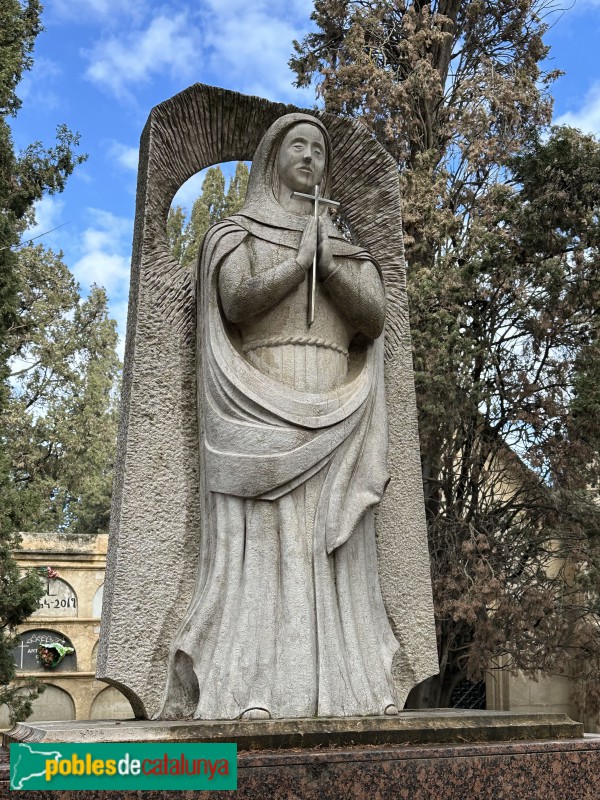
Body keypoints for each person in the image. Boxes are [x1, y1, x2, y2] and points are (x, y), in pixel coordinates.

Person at [160, 113, 401, 720]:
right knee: (264, 550)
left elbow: (372, 319)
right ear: (272, 158)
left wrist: (328, 258)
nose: (311, 156)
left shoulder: (347, 247)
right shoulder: (234, 233)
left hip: (336, 409)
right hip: (258, 402)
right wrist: (298, 262)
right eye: (298, 145)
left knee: (331, 549)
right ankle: (250, 689)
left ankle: (349, 691)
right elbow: (236, 303)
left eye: (320, 149)